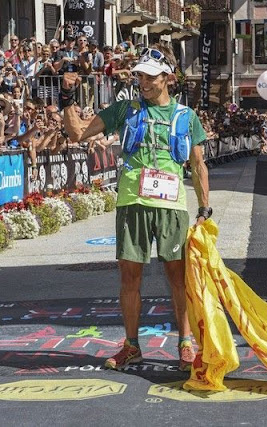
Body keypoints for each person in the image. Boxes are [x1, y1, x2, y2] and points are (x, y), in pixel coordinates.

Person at [62, 44, 210, 371]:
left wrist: (204, 208)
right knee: (130, 279)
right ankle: (131, 345)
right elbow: (77, 134)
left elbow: (198, 165)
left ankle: (185, 344)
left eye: (150, 77)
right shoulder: (124, 110)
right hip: (132, 203)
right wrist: (67, 96)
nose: (143, 81)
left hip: (171, 206)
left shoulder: (186, 116)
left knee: (178, 279)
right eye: (140, 75)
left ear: (167, 78)